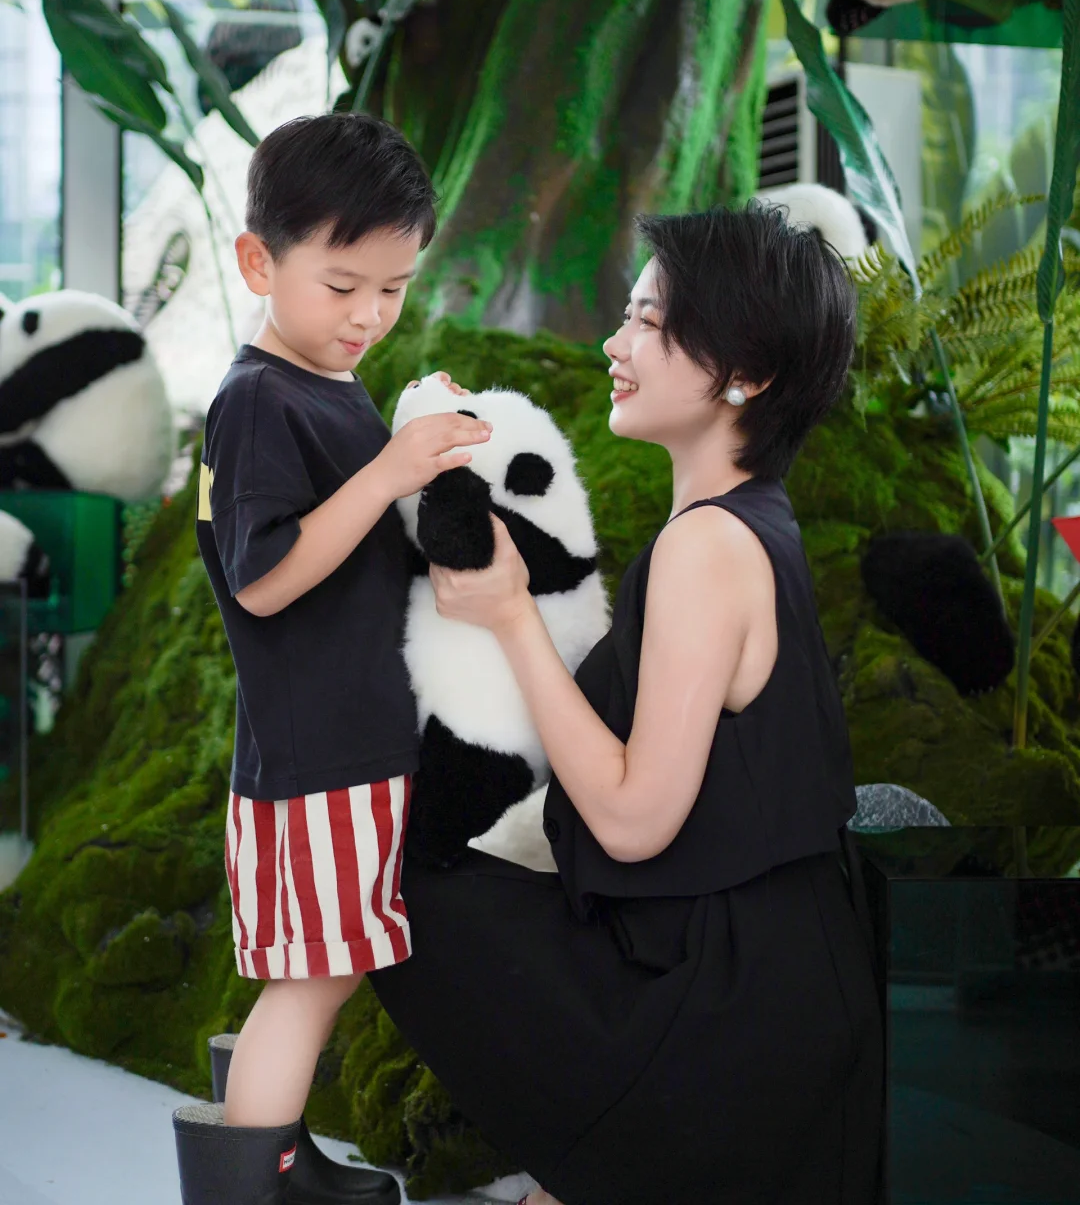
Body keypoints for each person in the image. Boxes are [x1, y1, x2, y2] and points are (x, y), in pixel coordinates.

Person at [370, 203, 885, 1205]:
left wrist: (512, 617)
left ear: (746, 374)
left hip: (719, 1015)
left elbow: (635, 820)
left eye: (650, 322)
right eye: (627, 315)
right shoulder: (748, 524)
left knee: (393, 889)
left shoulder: (708, 548)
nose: (616, 343)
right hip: (777, 986)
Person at [173, 112, 485, 1205]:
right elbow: (263, 577)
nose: (369, 315)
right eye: (343, 285)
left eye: (394, 288)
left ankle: (279, 1158)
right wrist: (392, 468)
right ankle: (254, 1182)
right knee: (311, 979)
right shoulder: (257, 400)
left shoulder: (321, 384)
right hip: (319, 756)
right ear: (259, 262)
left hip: (345, 742)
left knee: (322, 970)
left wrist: (409, 441)